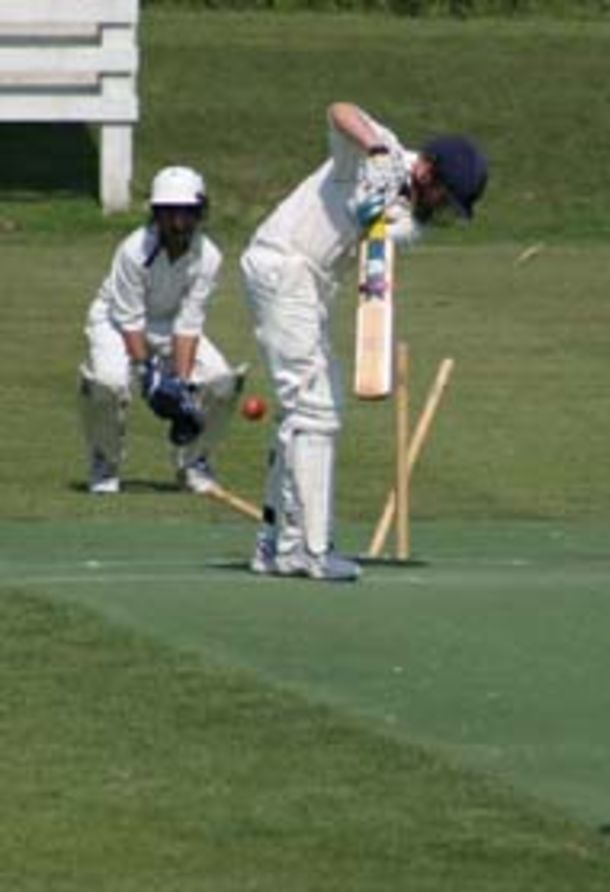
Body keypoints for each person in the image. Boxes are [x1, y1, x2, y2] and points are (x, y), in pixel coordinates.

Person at [240, 102, 487, 581]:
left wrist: (379, 213)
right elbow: (338, 111)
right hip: (284, 264)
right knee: (315, 410)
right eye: (445, 198)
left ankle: (277, 546)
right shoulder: (381, 150)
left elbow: (385, 238)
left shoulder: (411, 222)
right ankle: (312, 551)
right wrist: (373, 151)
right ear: (428, 171)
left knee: (310, 409)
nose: (442, 211)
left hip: (311, 286)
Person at [78, 165, 243, 495]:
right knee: (107, 384)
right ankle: (105, 460)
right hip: (114, 322)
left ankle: (193, 462)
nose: (179, 223)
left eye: (187, 213)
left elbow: (189, 322)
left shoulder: (208, 257)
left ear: (200, 213)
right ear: (156, 214)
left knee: (222, 383)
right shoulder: (133, 250)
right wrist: (148, 375)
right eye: (170, 213)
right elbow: (129, 318)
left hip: (168, 325)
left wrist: (181, 385)